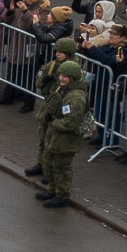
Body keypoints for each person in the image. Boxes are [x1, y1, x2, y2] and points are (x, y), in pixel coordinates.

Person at [39, 61, 88, 208]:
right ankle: (52, 190)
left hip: (67, 138)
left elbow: (70, 122)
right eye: (61, 75)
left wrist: (54, 123)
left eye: (65, 76)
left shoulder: (75, 97)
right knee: (48, 163)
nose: (61, 78)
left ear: (72, 78)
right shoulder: (65, 89)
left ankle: (62, 195)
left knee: (61, 168)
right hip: (56, 135)